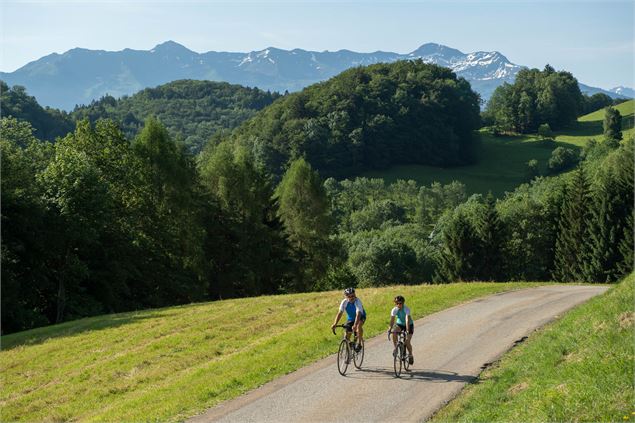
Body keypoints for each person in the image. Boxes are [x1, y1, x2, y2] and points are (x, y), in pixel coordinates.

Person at [331, 287, 366, 351]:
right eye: (349, 296)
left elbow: (358, 314)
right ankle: (349, 351)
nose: (352, 298)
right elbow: (340, 313)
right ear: (346, 297)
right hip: (350, 318)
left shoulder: (358, 302)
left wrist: (355, 325)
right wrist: (335, 324)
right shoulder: (344, 302)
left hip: (361, 316)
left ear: (355, 295)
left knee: (358, 326)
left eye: (353, 295)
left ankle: (359, 343)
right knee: (347, 335)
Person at [388, 295, 414, 365]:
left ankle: (411, 355)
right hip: (400, 324)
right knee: (394, 332)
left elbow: (407, 320)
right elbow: (392, 320)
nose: (398, 305)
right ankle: (396, 348)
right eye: (397, 303)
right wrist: (390, 328)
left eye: (400, 303)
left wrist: (407, 330)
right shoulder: (394, 309)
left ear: (403, 303)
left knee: (407, 341)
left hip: (409, 325)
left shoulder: (406, 309)